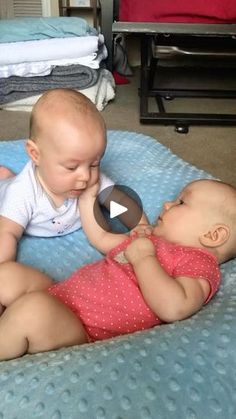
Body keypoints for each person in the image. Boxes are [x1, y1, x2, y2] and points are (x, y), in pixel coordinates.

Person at [0, 178, 235, 361]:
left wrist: (144, 259)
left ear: (213, 235)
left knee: (32, 311)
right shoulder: (149, 238)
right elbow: (102, 238)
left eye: (181, 202)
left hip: (79, 329)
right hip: (60, 294)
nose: (167, 204)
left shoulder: (198, 263)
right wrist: (87, 201)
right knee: (7, 274)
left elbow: (175, 307)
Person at [0, 88, 148, 263]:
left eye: (94, 163)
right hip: (5, 191)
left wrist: (141, 226)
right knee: (6, 183)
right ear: (35, 154)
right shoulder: (22, 193)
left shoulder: (92, 180)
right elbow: (7, 233)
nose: (85, 176)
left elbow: (118, 204)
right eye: (71, 167)